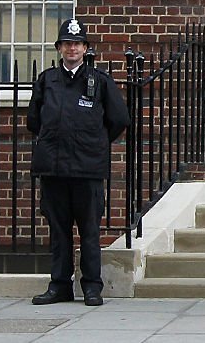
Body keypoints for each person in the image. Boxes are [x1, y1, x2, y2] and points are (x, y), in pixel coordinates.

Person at [27, 18, 130, 306]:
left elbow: (119, 119)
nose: (72, 48)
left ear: (85, 48)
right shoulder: (47, 80)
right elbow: (34, 120)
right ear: (60, 48)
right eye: (67, 43)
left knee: (89, 231)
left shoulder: (100, 81)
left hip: (87, 169)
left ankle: (92, 287)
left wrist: (93, 142)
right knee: (59, 231)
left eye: (77, 43)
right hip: (55, 168)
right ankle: (59, 285)